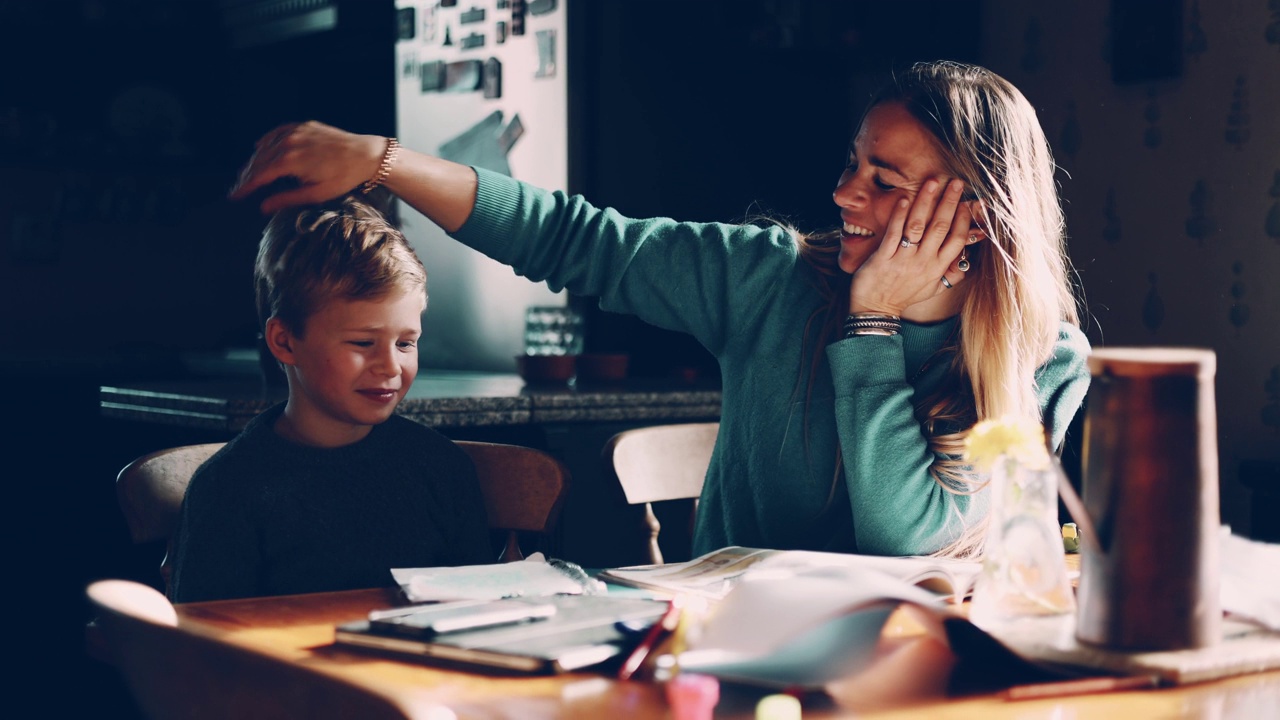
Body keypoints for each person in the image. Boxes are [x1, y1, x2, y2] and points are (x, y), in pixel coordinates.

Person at [229, 60, 1090, 560]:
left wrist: (870, 329)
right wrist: (382, 160)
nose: (840, 193)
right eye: (852, 162)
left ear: (972, 215)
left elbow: (915, 539)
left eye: (882, 180)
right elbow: (574, 238)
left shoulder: (1041, 355)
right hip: (737, 676)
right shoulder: (770, 280)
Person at [168, 195, 493, 603]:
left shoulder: (444, 470)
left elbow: (482, 618)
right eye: (362, 342)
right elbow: (201, 645)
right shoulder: (228, 489)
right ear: (285, 342)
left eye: (407, 343)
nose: (390, 365)